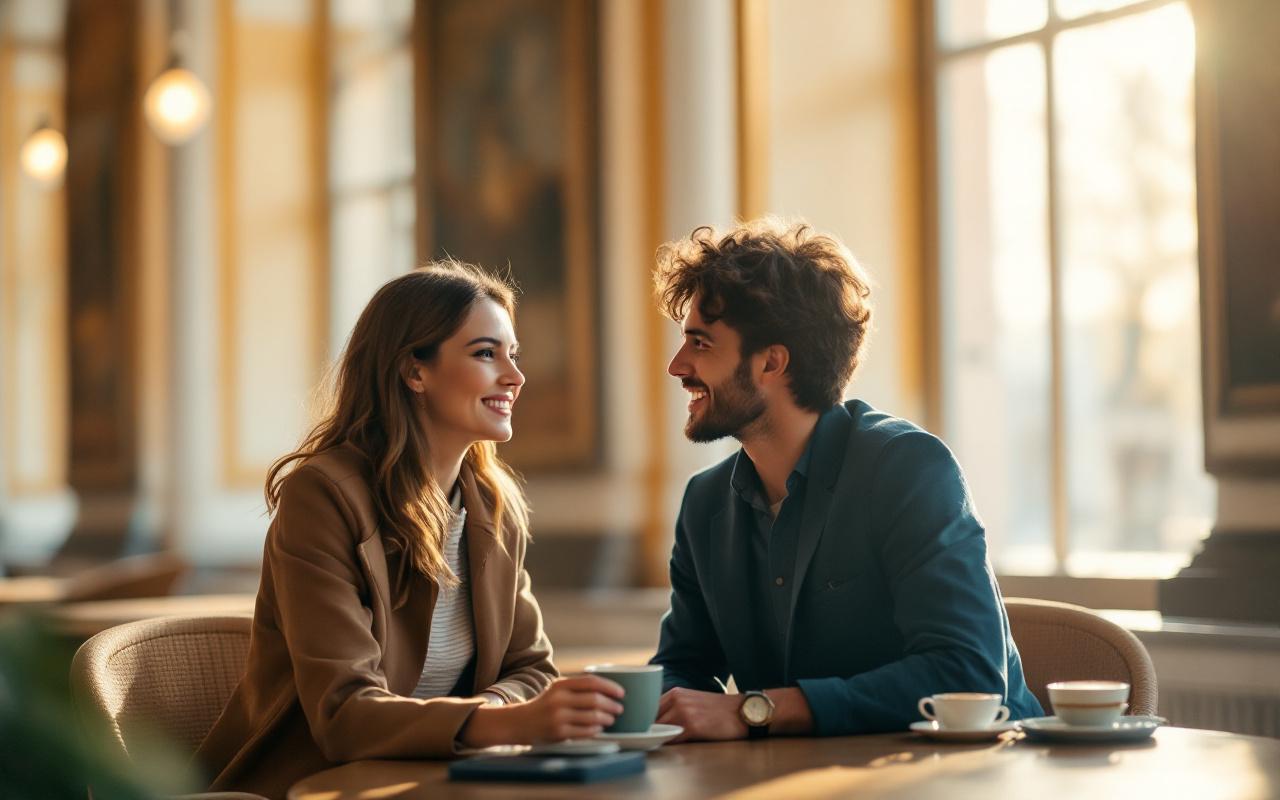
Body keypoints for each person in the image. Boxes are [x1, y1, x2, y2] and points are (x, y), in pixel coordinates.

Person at [196, 261, 623, 798]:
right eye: (486, 353)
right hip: (305, 786)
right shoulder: (322, 496)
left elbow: (532, 669)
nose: (514, 377)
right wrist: (505, 724)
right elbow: (344, 712)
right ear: (414, 372)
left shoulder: (493, 505)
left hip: (435, 782)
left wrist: (490, 712)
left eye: (513, 355)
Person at [648, 219, 1043, 741]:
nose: (677, 366)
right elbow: (682, 668)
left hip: (973, 775)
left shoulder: (910, 469)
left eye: (700, 343)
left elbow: (968, 676)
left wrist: (758, 710)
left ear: (772, 362)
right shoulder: (705, 504)